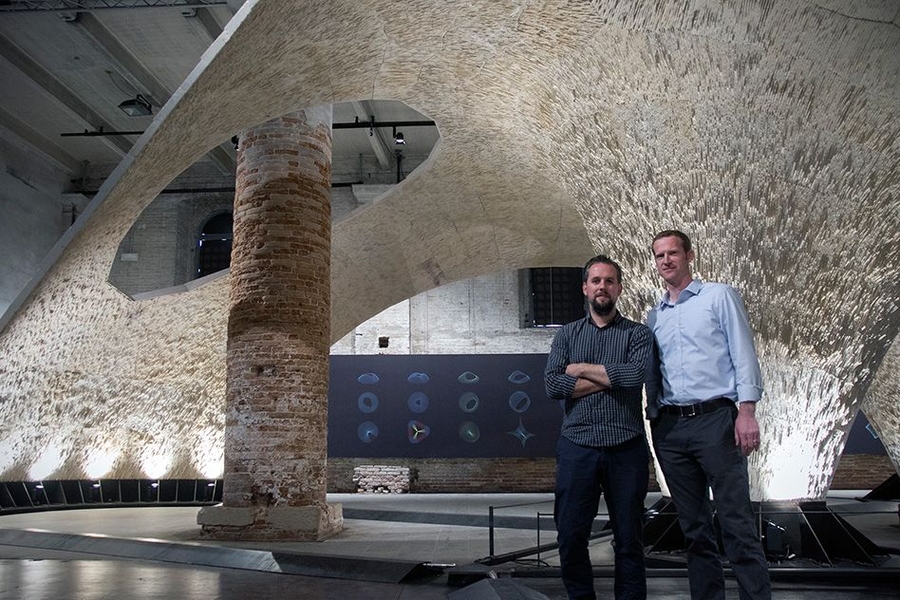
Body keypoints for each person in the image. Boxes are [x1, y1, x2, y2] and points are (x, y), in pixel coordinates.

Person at [645, 229, 771, 600]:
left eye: (672, 253)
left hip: (716, 422)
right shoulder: (655, 315)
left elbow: (743, 354)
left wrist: (746, 411)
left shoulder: (719, 296)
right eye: (659, 256)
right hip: (670, 428)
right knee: (695, 530)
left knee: (736, 523)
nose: (666, 260)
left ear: (689, 255)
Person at [545, 254, 654, 600]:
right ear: (585, 288)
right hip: (578, 446)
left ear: (619, 288)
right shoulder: (567, 334)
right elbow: (552, 385)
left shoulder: (638, 334)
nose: (602, 287)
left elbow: (635, 376)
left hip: (626, 446)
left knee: (629, 539)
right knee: (571, 535)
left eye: (609, 281)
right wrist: (610, 376)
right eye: (596, 281)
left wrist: (578, 369)